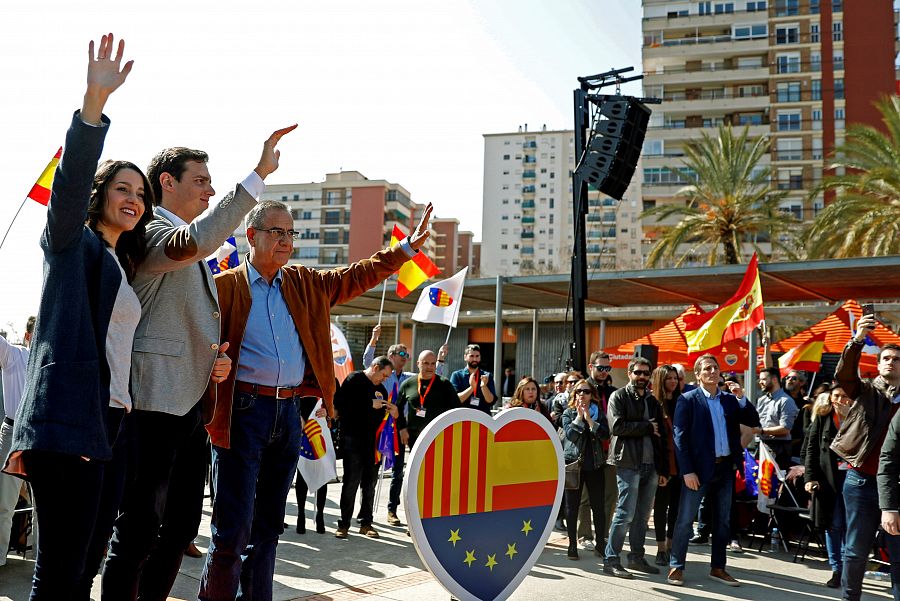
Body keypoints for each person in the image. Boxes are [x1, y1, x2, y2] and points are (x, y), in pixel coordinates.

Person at [102, 117, 296, 601]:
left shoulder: (185, 242)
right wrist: (257, 175)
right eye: (201, 181)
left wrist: (212, 360)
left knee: (183, 524)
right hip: (151, 402)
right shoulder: (150, 231)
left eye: (213, 183)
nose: (210, 191)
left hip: (189, 404)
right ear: (166, 182)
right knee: (139, 528)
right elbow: (198, 242)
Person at [199, 200, 432, 599]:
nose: (286, 241)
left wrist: (405, 248)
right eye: (277, 232)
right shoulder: (223, 287)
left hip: (290, 413)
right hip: (242, 412)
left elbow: (359, 274)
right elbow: (198, 343)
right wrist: (211, 364)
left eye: (292, 233)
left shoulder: (306, 283)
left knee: (269, 528)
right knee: (231, 530)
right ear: (251, 236)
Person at [2, 34, 153, 599]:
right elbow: (66, 190)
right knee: (61, 570)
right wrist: (95, 104)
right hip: (69, 424)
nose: (133, 198)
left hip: (111, 423)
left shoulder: (120, 260)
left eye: (140, 192)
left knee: (84, 563)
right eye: (122, 188)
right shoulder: (73, 243)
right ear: (99, 195)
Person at [668, 354, 759, 588]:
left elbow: (753, 420)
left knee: (723, 521)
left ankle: (718, 568)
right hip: (697, 471)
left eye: (715, 368)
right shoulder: (688, 400)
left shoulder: (729, 400)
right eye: (707, 368)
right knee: (686, 520)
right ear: (697, 375)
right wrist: (687, 471)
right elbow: (680, 438)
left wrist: (741, 398)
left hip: (725, 468)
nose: (712, 371)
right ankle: (677, 566)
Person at [830, 313, 900, 601]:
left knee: (898, 554)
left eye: (896, 359)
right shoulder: (867, 391)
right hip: (861, 481)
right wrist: (858, 339)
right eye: (885, 358)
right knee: (856, 550)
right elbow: (844, 374)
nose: (889, 362)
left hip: (895, 485)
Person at [604, 357, 669, 579]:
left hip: (650, 465)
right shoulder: (618, 396)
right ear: (630, 373)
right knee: (625, 514)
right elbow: (617, 427)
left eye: (645, 373)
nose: (642, 377)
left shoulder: (652, 400)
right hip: (628, 463)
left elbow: (661, 435)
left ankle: (636, 557)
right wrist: (647, 427)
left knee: (642, 516)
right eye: (638, 372)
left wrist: (663, 470)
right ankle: (611, 559)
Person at [334, 357, 396, 540]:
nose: (384, 379)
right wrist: (369, 404)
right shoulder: (354, 379)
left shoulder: (381, 390)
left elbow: (382, 419)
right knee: (351, 482)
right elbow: (342, 405)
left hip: (373, 444)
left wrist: (392, 412)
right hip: (353, 441)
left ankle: (366, 522)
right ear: (375, 367)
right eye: (383, 375)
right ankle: (344, 523)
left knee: (370, 484)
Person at [362, 329, 416, 527]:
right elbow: (368, 361)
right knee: (373, 471)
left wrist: (442, 360)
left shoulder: (410, 378)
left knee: (398, 473)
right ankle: (366, 511)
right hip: (382, 428)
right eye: (401, 354)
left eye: (407, 355)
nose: (405, 358)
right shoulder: (386, 375)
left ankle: (392, 510)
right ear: (391, 356)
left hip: (401, 430)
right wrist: (374, 339)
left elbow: (430, 376)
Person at [804, 386, 853, 589]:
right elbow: (812, 448)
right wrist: (810, 477)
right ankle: (837, 569)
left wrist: (848, 417)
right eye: (836, 396)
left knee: (851, 525)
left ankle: (850, 568)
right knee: (833, 524)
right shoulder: (823, 417)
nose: (840, 400)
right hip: (828, 479)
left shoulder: (859, 417)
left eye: (844, 396)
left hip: (853, 477)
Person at [561, 379, 609, 561]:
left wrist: (589, 419)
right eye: (579, 391)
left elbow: (605, 434)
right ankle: (572, 544)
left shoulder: (598, 413)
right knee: (571, 507)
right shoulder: (568, 413)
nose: (583, 395)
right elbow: (571, 436)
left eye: (586, 391)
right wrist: (579, 418)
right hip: (574, 464)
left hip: (595, 465)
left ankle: (600, 545)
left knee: (598, 506)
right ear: (574, 395)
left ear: (592, 395)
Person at [0, 316, 34, 566]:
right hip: (13, 433)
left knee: (48, 512)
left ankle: (46, 570)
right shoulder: (14, 355)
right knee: (3, 504)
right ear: (28, 335)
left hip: (45, 439)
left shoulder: (56, 361)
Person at [396, 350, 459, 453]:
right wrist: (402, 428)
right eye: (426, 363)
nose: (429, 367)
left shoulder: (445, 384)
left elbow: (456, 409)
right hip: (414, 438)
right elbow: (398, 407)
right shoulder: (408, 384)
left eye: (433, 363)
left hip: (439, 437)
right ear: (418, 363)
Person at [650, 364, 681, 567]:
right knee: (661, 509)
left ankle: (671, 546)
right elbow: (655, 440)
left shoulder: (682, 401)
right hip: (663, 464)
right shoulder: (653, 404)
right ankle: (661, 549)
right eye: (668, 378)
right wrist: (661, 469)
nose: (673, 381)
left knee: (676, 509)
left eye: (675, 378)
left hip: (681, 464)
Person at [294, 396, 328, 535]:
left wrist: (329, 413)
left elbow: (335, 404)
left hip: (321, 428)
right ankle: (300, 515)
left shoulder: (329, 379)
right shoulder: (297, 375)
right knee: (302, 474)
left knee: (322, 475)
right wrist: (297, 415)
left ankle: (320, 515)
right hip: (301, 426)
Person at [755, 367, 799, 469]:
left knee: (777, 482)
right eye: (760, 379)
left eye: (764, 379)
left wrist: (761, 431)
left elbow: (785, 429)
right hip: (762, 446)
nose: (760, 382)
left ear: (774, 379)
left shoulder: (786, 401)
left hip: (779, 449)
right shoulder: (762, 400)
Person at [449, 344, 497, 413]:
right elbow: (455, 399)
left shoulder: (487, 376)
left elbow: (490, 401)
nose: (474, 359)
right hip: (462, 417)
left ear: (480, 357)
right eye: (471, 356)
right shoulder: (457, 375)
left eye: (477, 356)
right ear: (465, 357)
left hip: (483, 418)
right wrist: (472, 388)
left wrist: (484, 386)